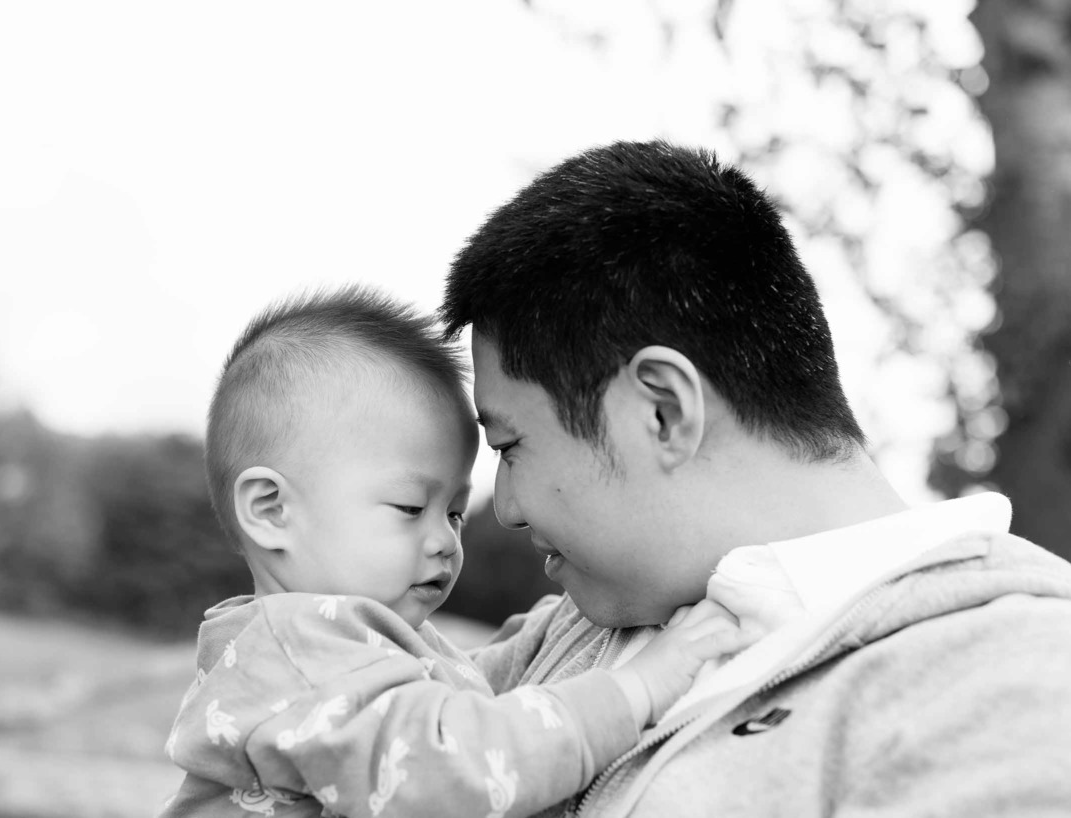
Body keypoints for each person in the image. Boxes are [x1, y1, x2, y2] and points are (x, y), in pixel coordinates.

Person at [442, 140, 1071, 817]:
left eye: (509, 446)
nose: (504, 507)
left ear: (663, 410)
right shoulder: (570, 630)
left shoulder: (1017, 685)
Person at [158, 286, 752, 818]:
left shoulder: (347, 643)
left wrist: (557, 624)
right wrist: (637, 689)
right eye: (411, 509)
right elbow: (456, 762)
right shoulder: (289, 655)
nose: (445, 539)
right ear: (271, 510)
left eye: (454, 513)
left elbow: (469, 685)